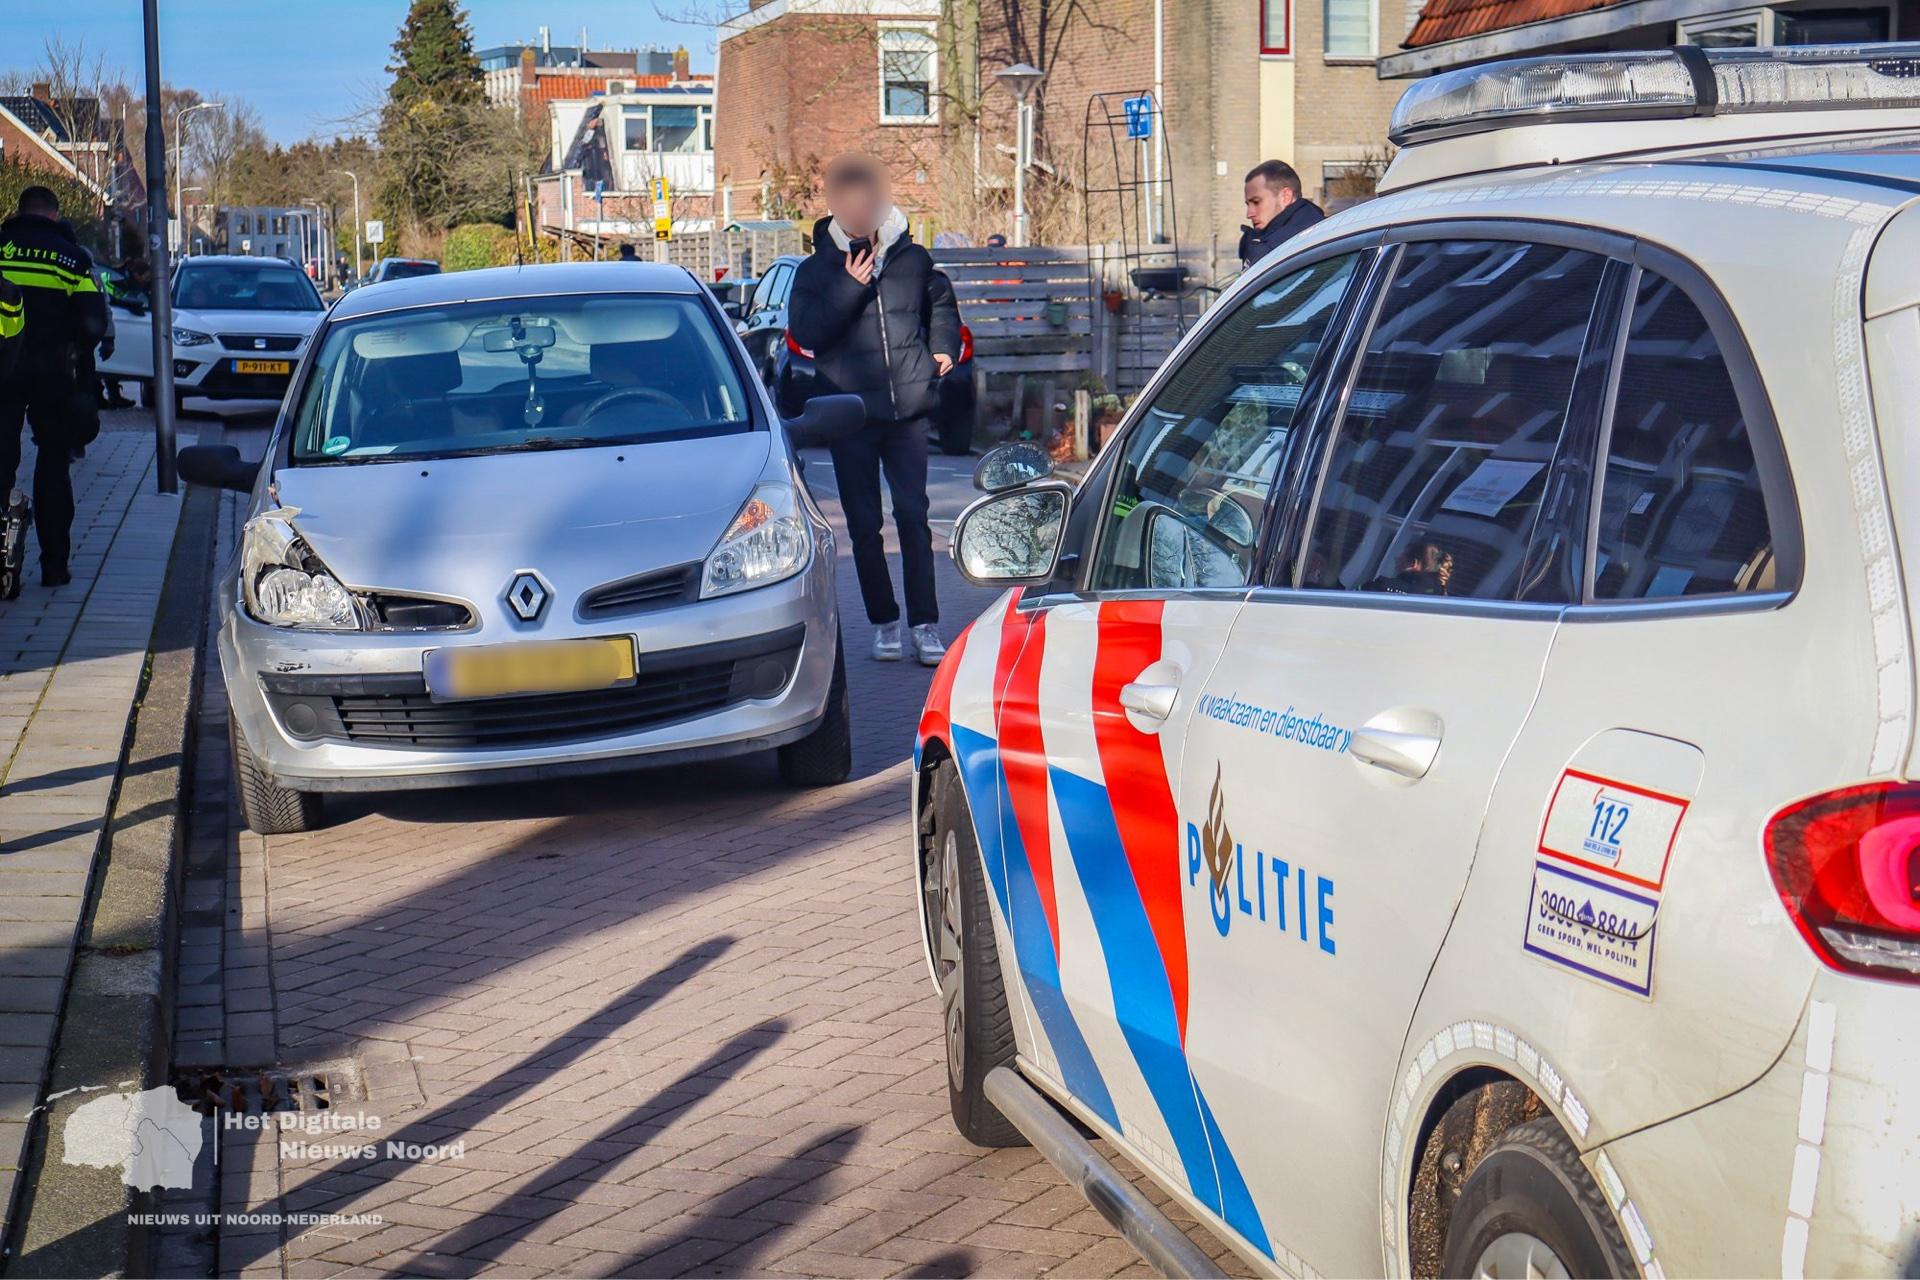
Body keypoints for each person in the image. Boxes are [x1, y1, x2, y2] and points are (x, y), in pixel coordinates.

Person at [789, 153, 960, 666]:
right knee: (864, 524)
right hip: (849, 413)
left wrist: (944, 347)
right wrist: (850, 287)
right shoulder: (816, 270)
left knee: (913, 516)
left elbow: (943, 306)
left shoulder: (914, 259)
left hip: (908, 406)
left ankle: (925, 626)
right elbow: (807, 333)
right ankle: (884, 622)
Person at [0, 187, 108, 589]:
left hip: (2, 371)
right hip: (54, 374)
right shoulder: (72, 258)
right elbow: (94, 324)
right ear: (54, 214)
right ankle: (54, 567)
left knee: (1, 462)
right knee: (52, 464)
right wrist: (72, 345)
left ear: (19, 211)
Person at [1239, 159, 1326, 270]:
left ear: (1285, 196)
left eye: (1256, 202)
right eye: (1248, 204)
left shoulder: (1286, 249)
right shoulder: (1317, 231)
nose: (1249, 214)